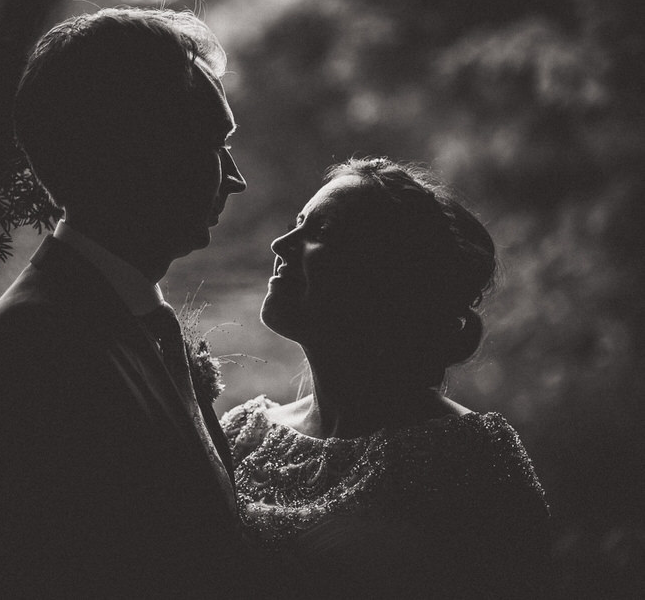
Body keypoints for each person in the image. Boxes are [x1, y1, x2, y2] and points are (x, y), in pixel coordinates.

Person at [0, 7, 251, 598]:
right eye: (215, 144)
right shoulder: (35, 347)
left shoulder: (113, 320)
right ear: (139, 151)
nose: (235, 178)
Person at [222, 157, 551, 599]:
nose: (281, 243)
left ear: (387, 276)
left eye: (320, 233)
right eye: (297, 223)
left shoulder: (469, 459)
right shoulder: (244, 432)